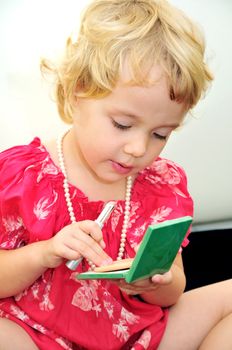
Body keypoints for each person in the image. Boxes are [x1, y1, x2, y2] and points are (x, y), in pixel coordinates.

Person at [0, 0, 231, 349]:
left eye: (160, 134)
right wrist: (44, 253)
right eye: (123, 124)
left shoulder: (163, 185)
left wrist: (158, 283)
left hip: (140, 336)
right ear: (78, 92)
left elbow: (174, 290)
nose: (139, 148)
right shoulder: (24, 173)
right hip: (38, 335)